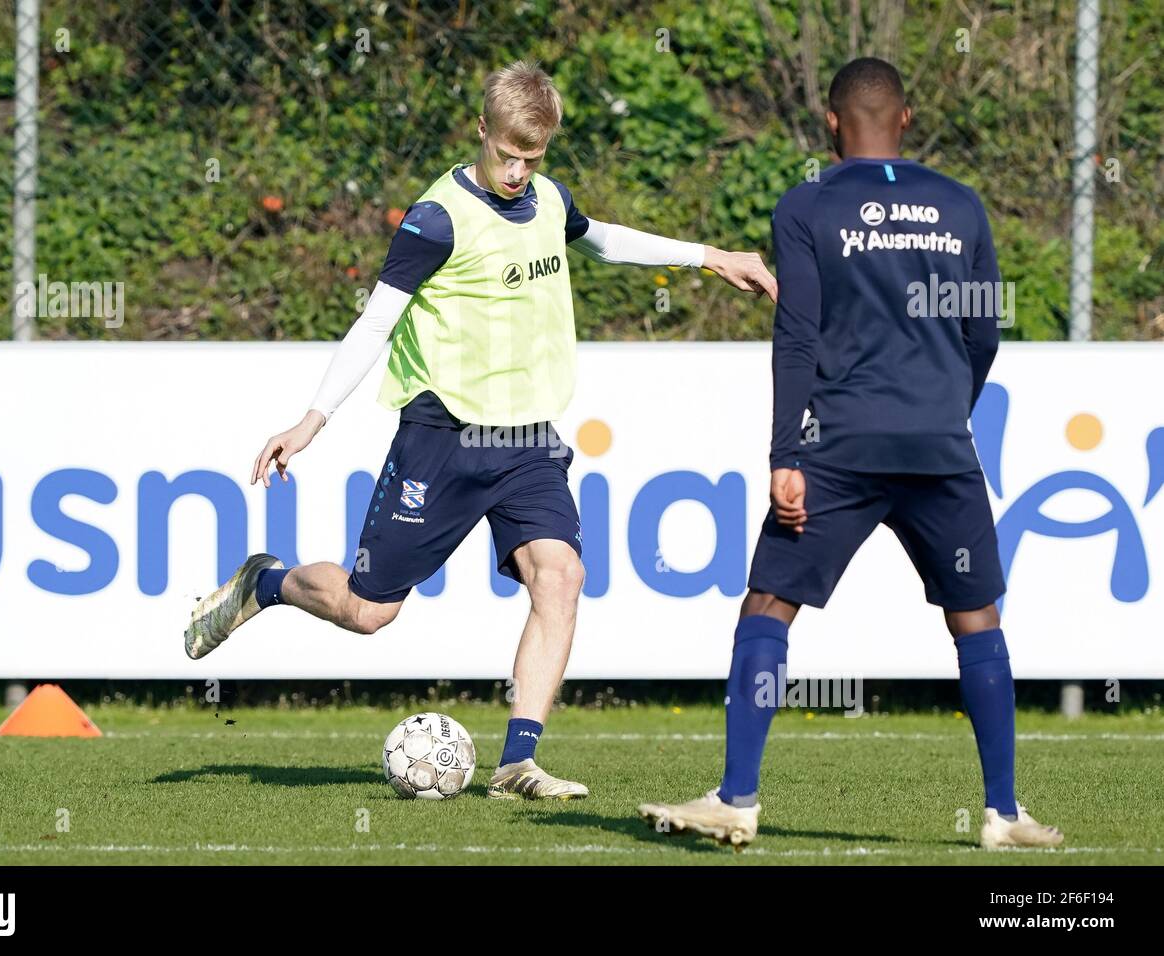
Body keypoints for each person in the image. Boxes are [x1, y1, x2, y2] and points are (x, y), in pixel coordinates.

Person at [185, 60, 777, 800]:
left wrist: (711, 257)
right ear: (481, 132)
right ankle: (263, 584)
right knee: (369, 611)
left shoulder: (549, 200)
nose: (519, 171)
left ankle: (516, 763)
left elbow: (602, 239)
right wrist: (312, 420)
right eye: (508, 154)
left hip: (528, 441)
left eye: (534, 157)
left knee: (560, 575)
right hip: (442, 436)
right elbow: (377, 320)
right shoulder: (436, 218)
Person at [638, 58, 1062, 849]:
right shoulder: (961, 206)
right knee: (978, 621)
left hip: (838, 445)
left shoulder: (807, 206)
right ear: (906, 119)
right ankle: (1004, 814)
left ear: (831, 124)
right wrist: (943, 410)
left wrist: (784, 453)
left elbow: (796, 333)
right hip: (940, 446)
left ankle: (737, 797)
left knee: (768, 606)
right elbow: (982, 334)